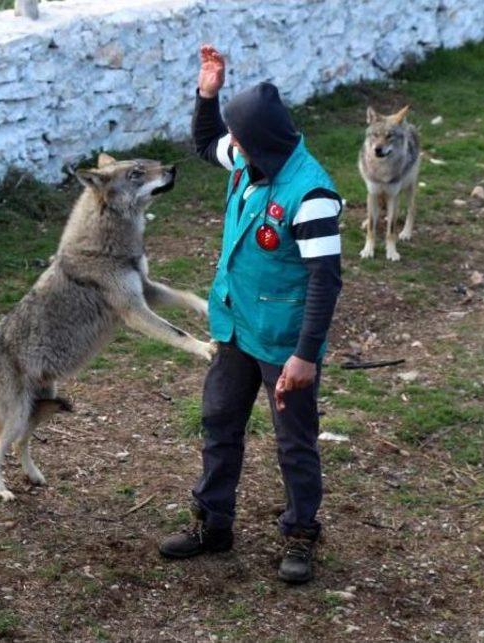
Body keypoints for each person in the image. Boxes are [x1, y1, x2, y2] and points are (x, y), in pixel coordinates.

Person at [158, 45, 343, 584]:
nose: (229, 145)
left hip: (285, 342)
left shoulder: (311, 196)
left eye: (237, 135)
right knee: (219, 420)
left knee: (294, 442)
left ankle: (301, 532)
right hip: (236, 327)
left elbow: (325, 281)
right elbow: (203, 143)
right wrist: (208, 94)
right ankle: (213, 523)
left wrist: (305, 356)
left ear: (258, 140)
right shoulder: (251, 157)